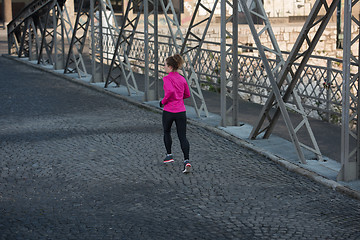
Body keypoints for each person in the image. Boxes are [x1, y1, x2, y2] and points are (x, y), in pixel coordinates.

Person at [160, 54, 191, 173]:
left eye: (165, 65)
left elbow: (170, 91)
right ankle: (186, 160)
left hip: (169, 110)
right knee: (182, 136)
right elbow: (187, 94)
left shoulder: (167, 78)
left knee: (167, 132)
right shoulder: (182, 78)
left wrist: (163, 101)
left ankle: (169, 155)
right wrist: (179, 97)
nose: (164, 67)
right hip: (181, 110)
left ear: (170, 67)